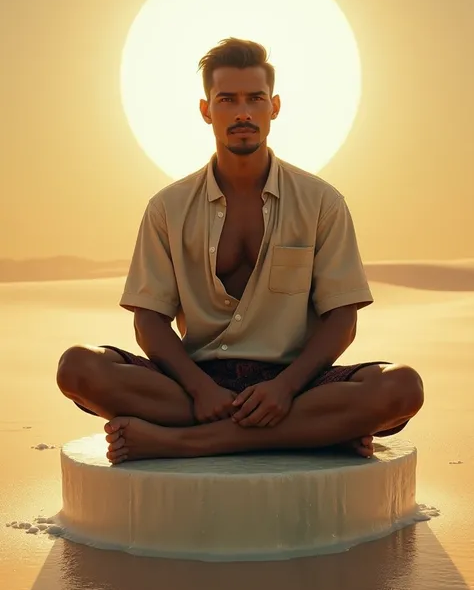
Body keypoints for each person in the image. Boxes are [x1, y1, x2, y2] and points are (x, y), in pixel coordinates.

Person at [56, 37, 424, 465]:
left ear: (275, 106)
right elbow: (149, 319)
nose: (243, 113)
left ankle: (186, 442)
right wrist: (199, 389)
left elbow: (342, 318)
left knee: (402, 388)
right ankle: (313, 434)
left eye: (255, 98)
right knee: (77, 368)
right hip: (192, 383)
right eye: (227, 99)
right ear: (206, 110)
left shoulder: (321, 201)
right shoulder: (168, 208)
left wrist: (285, 389)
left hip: (298, 384)